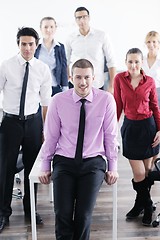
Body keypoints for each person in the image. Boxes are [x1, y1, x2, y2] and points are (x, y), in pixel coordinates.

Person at [38, 58, 119, 239]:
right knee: (62, 214)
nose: (83, 82)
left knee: (83, 215)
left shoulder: (106, 100)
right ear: (70, 78)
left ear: (94, 78)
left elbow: (111, 136)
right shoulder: (58, 101)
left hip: (93, 163)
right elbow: (51, 136)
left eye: (87, 77)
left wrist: (113, 167)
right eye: (78, 77)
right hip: (64, 162)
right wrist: (45, 165)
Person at [0, 27, 52, 233]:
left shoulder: (42, 69)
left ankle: (31, 209)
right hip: (10, 123)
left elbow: (46, 102)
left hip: (33, 122)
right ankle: (3, 212)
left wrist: (45, 129)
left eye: (31, 44)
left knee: (33, 169)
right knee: (5, 169)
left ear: (36, 45)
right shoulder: (6, 66)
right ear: (18, 44)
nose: (27, 48)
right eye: (23, 44)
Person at [114, 48, 160, 226]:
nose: (133, 65)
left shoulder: (149, 81)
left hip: (148, 128)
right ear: (125, 62)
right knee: (139, 172)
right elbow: (117, 106)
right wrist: (111, 131)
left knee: (147, 172)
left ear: (142, 63)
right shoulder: (119, 79)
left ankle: (139, 203)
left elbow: (155, 107)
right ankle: (148, 206)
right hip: (131, 128)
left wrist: (159, 130)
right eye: (130, 61)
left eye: (137, 62)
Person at [65, 6, 116, 93]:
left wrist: (112, 85)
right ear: (75, 20)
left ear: (89, 18)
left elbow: (111, 61)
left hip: (97, 83)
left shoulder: (102, 35)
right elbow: (66, 61)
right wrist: (68, 79)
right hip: (76, 85)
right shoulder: (70, 38)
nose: (82, 20)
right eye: (78, 18)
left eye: (84, 17)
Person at [35, 16, 68, 96]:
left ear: (55, 28)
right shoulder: (35, 46)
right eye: (45, 27)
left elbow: (64, 69)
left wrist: (65, 87)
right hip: (38, 89)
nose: (48, 30)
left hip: (55, 87)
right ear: (40, 28)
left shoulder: (60, 47)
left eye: (51, 27)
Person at [142, 31, 160, 105]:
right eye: (148, 42)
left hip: (158, 92)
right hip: (144, 92)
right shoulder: (141, 60)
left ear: (158, 44)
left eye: (154, 42)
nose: (151, 44)